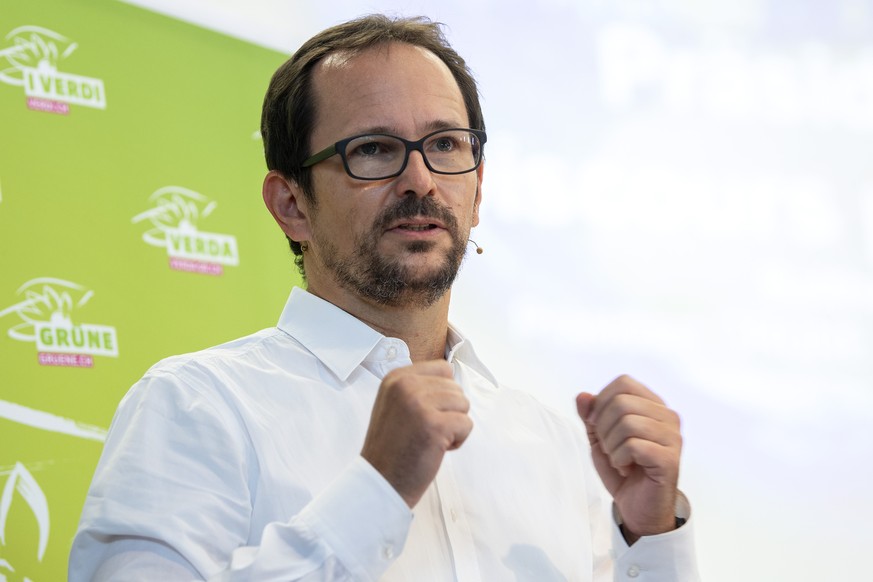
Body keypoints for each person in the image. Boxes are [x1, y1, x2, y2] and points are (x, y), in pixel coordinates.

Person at [69, 14, 700, 581]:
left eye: (446, 145)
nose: (420, 180)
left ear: (477, 192)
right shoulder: (196, 406)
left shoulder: (557, 446)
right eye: (373, 149)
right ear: (291, 205)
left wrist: (650, 537)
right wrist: (375, 490)